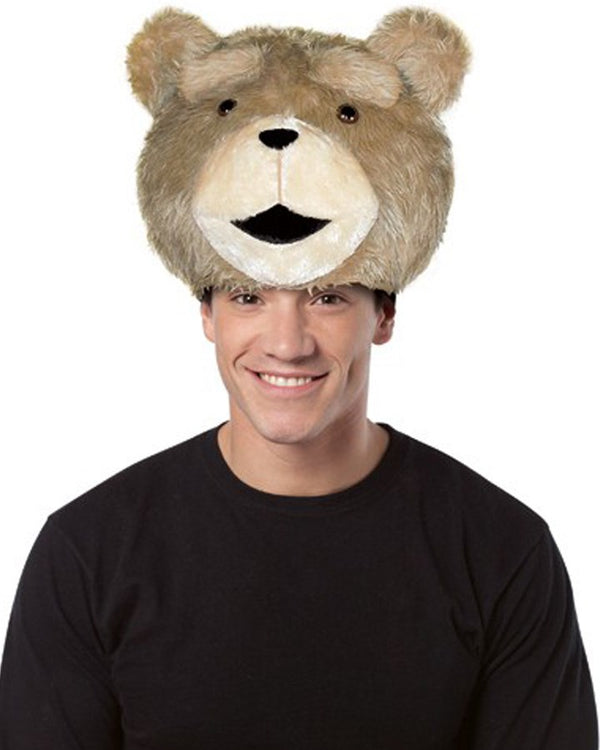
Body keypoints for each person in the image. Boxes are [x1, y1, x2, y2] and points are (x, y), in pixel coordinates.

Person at [0, 6, 597, 749]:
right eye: (248, 297)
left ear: (384, 314)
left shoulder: (501, 551)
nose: (286, 343)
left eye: (326, 298)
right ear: (207, 314)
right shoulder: (90, 551)